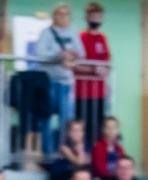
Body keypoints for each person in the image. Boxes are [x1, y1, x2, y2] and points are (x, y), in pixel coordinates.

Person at [33, 4, 80, 157]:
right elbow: (40, 55)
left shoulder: (74, 32)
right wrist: (58, 55)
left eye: (66, 14)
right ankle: (48, 153)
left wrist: (73, 54)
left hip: (66, 82)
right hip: (49, 82)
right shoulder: (46, 33)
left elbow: (82, 53)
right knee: (46, 119)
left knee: (67, 121)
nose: (63, 16)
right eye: (60, 13)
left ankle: (65, 153)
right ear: (54, 16)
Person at [74, 3, 110, 148]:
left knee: (98, 126)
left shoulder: (102, 38)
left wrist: (103, 70)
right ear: (87, 17)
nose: (96, 19)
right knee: (82, 126)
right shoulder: (81, 37)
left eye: (99, 17)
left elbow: (107, 63)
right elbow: (75, 64)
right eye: (94, 16)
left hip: (99, 92)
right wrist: (93, 70)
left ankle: (95, 154)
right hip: (82, 91)